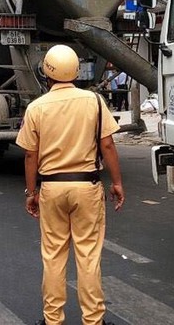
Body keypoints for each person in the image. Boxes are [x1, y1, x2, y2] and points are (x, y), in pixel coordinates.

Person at [16, 44, 125, 325]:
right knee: (88, 257)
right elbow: (108, 145)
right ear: (76, 71)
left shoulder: (36, 107)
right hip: (86, 186)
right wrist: (117, 183)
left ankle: (53, 320)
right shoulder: (94, 101)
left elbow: (30, 155)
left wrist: (31, 192)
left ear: (46, 74)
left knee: (53, 257)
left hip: (51, 188)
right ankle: (93, 320)